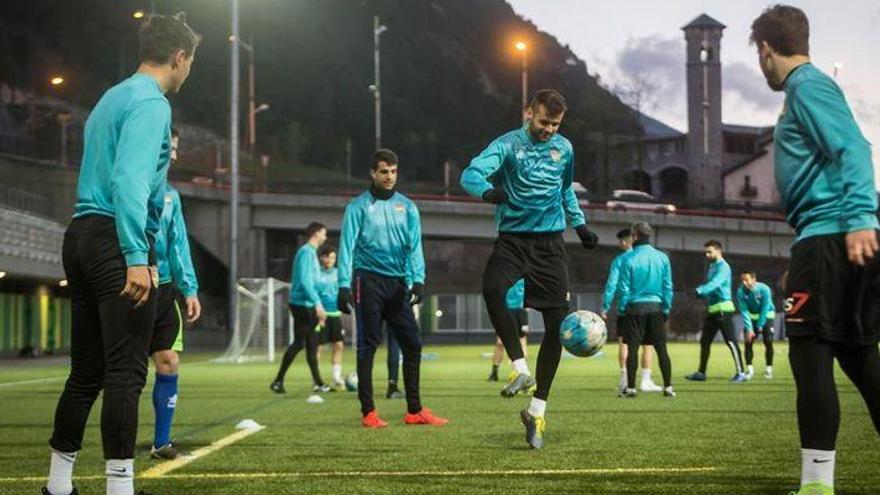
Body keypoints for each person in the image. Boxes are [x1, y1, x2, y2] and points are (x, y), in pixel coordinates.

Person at [43, 12, 199, 495]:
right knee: (127, 373)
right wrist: (136, 253)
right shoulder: (153, 104)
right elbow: (129, 180)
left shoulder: (111, 96)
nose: (189, 70)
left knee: (86, 372)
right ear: (179, 57)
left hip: (81, 234)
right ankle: (119, 489)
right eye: (191, 62)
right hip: (117, 239)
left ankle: (59, 486)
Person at [751, 6, 880, 493]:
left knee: (811, 354)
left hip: (833, 237)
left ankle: (817, 485)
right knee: (860, 357)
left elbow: (852, 146)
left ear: (765, 49)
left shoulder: (807, 86)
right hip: (825, 238)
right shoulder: (808, 88)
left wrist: (860, 220)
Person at [460, 89, 598, 449]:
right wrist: (488, 192)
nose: (549, 130)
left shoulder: (564, 149)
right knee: (492, 289)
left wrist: (579, 225)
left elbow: (565, 189)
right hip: (513, 240)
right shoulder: (507, 146)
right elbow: (471, 173)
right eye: (543, 122)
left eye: (555, 124)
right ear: (528, 114)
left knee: (556, 325)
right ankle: (520, 370)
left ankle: (536, 411)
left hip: (550, 244)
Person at [337, 148, 447, 428]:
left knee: (413, 344)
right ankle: (369, 412)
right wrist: (342, 285)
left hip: (397, 283)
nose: (389, 176)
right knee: (368, 346)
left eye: (393, 171)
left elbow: (414, 246)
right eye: (384, 171)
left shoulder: (408, 207)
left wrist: (418, 280)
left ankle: (414, 410)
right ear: (373, 173)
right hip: (368, 281)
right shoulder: (358, 207)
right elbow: (346, 247)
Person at [149, 127, 201, 460]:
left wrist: (189, 288)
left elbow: (179, 243)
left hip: (165, 289)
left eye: (176, 148)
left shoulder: (171, 196)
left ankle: (161, 442)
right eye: (171, 147)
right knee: (122, 372)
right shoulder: (126, 189)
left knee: (169, 361)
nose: (175, 154)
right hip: (131, 287)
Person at [270, 222, 330, 394]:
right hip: (302, 304)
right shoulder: (306, 252)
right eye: (324, 234)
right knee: (299, 343)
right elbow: (305, 281)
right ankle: (278, 381)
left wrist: (318, 301)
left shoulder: (311, 253)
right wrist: (318, 303)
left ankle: (318, 382)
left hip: (308, 304)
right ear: (316, 233)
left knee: (311, 344)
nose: (325, 237)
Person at [616, 222, 675, 398]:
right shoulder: (662, 257)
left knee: (632, 349)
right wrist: (666, 308)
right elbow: (667, 287)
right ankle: (668, 387)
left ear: (634, 235)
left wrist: (622, 308)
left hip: (634, 309)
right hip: (656, 308)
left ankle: (632, 388)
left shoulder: (628, 258)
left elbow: (624, 288)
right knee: (661, 349)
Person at [601, 228, 661, 395]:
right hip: (649, 306)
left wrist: (605, 306)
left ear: (628, 240)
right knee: (647, 344)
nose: (620, 243)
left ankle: (625, 379)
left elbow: (612, 284)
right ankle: (645, 380)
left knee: (625, 344)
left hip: (626, 308)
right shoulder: (650, 256)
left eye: (622, 240)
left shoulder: (620, 260)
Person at [685, 240, 747, 383]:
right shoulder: (712, 266)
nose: (707, 254)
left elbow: (715, 284)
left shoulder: (724, 267)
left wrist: (700, 290)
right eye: (706, 252)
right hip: (713, 310)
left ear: (718, 251)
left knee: (731, 341)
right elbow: (711, 287)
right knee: (704, 341)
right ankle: (701, 373)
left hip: (723, 310)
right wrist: (701, 293)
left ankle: (741, 373)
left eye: (710, 252)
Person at [314, 245, 345, 390]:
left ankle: (336, 378)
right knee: (318, 347)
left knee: (338, 345)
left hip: (335, 315)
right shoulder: (316, 274)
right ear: (321, 258)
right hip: (321, 315)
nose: (329, 260)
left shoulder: (339, 274)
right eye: (326, 257)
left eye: (332, 257)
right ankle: (317, 380)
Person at [735, 271, 775, 380]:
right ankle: (750, 370)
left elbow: (765, 307)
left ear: (753, 279)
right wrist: (749, 328)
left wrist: (760, 325)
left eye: (746, 279)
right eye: (742, 280)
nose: (744, 282)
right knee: (748, 343)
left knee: (768, 342)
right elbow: (744, 310)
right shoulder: (740, 292)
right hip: (752, 317)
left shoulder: (764, 289)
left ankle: (769, 369)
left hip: (767, 315)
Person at [488, 279, 529, 383]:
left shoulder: (526, 270)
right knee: (500, 343)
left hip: (520, 311)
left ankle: (520, 373)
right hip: (504, 309)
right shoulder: (505, 271)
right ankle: (494, 372)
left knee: (521, 341)